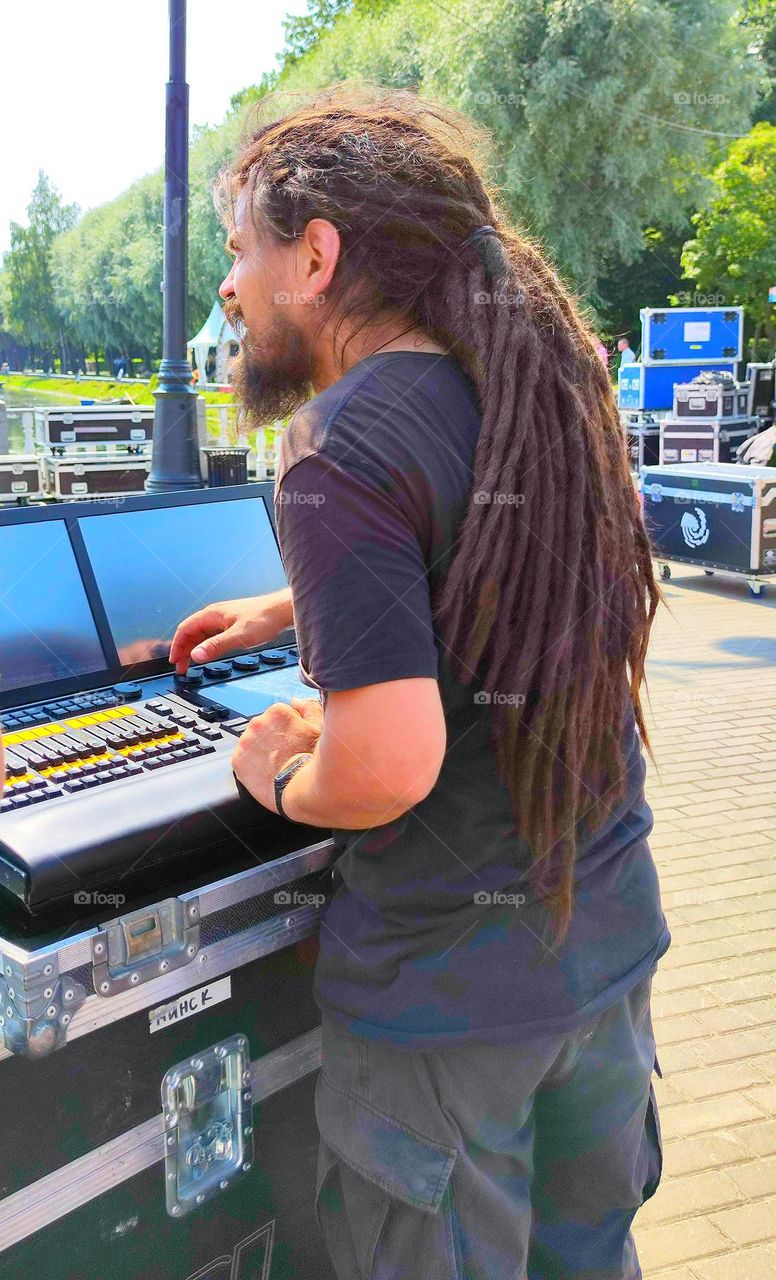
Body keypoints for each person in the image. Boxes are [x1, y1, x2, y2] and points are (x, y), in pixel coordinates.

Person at [170, 84, 668, 1280]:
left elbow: (385, 769)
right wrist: (300, 609)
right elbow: (494, 556)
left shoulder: (336, 439)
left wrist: (278, 770)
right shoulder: (538, 384)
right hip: (599, 954)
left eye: (241, 252)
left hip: (447, 1018)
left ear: (317, 255)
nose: (229, 288)